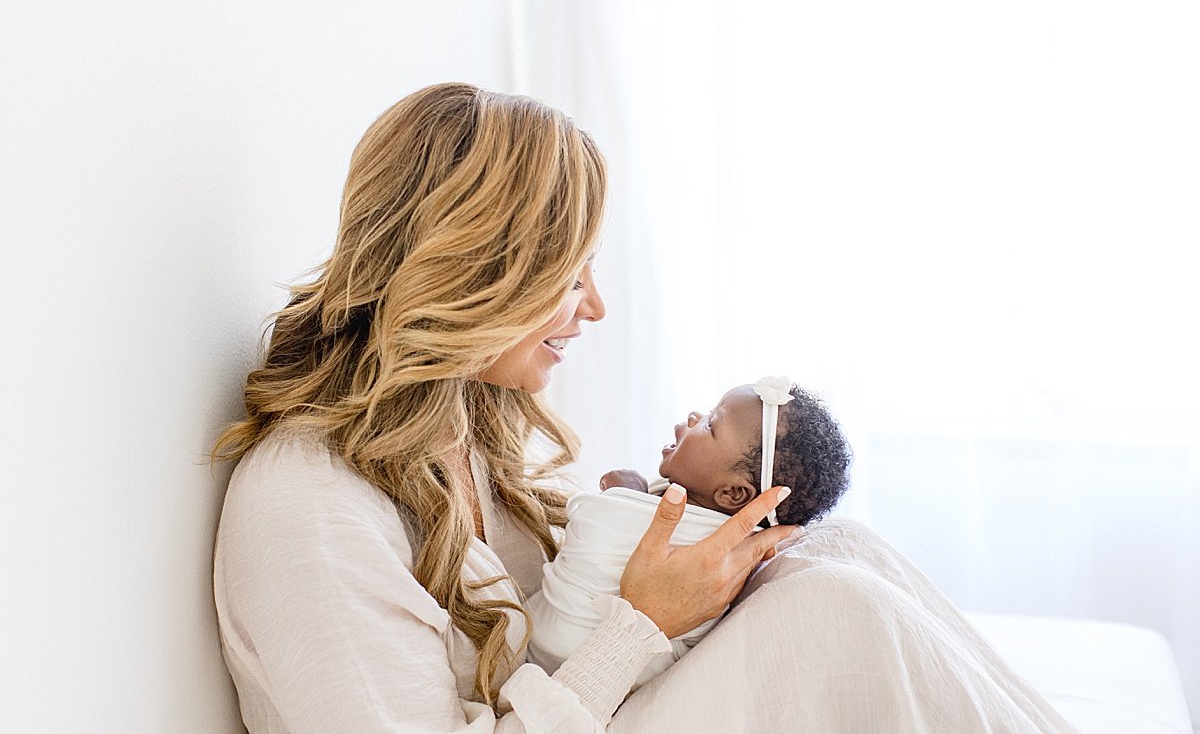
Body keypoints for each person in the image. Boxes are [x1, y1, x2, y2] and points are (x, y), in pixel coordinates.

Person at [212, 82, 1080, 733]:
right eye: (570, 273)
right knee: (835, 616)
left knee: (831, 552)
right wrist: (647, 623)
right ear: (479, 271)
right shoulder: (310, 509)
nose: (594, 307)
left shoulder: (456, 428)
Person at [527, 378, 853, 687]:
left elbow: (596, 523)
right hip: (582, 665)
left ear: (732, 495)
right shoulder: (729, 528)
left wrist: (626, 492)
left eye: (710, 424)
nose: (694, 416)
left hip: (568, 651)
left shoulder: (702, 540)